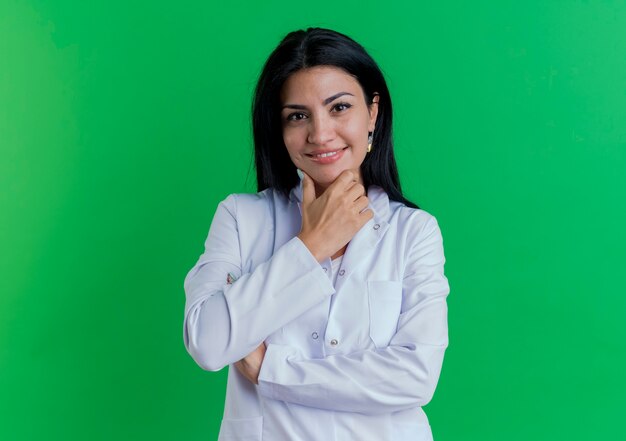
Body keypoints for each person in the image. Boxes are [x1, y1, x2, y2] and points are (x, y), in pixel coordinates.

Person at [183, 27, 450, 441]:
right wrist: (312, 245)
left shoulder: (413, 232)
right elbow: (208, 342)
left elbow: (415, 377)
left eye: (339, 107)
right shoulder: (241, 218)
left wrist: (273, 370)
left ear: (373, 113)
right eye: (298, 115)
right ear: (279, 126)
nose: (320, 134)